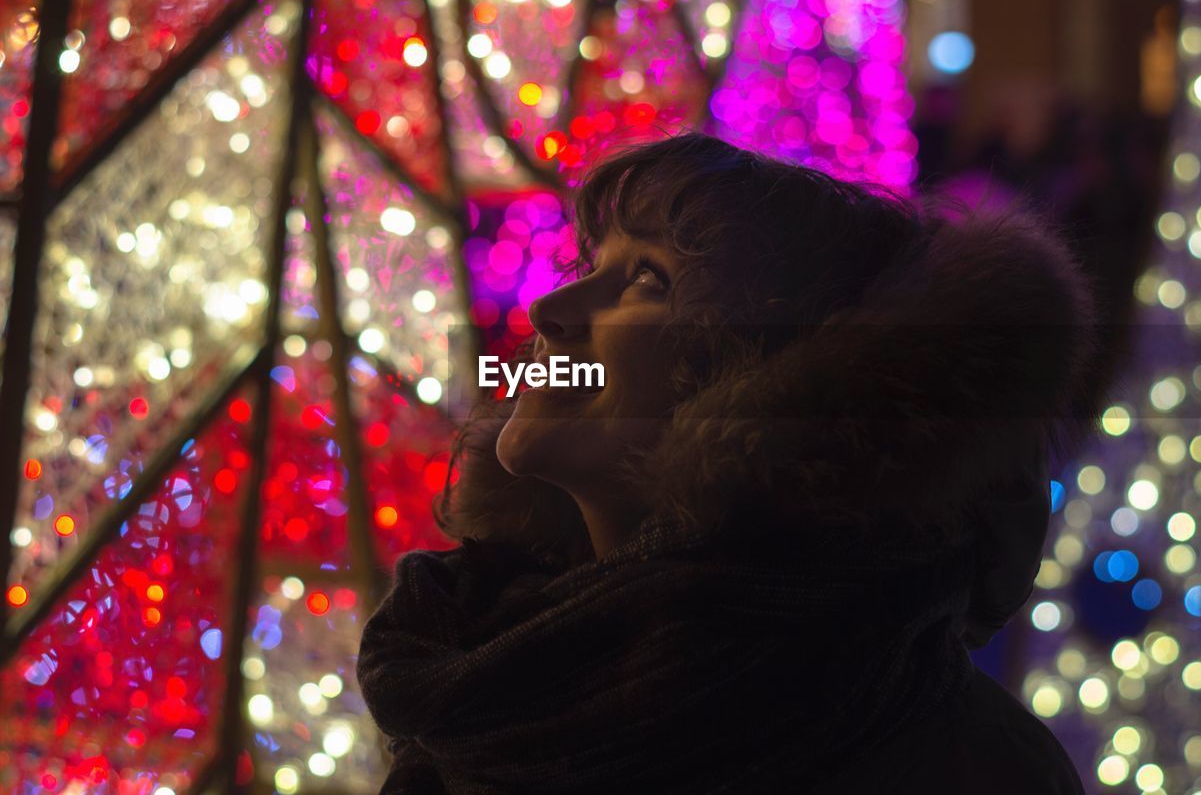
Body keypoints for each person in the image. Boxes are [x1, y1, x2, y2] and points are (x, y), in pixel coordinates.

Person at [357, 130, 1096, 794]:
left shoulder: (948, 759)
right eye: (589, 262)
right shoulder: (474, 662)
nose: (552, 309)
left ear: (774, 393)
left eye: (649, 279)